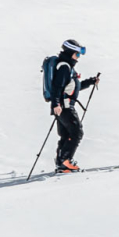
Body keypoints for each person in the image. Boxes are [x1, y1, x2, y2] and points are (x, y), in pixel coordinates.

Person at [48, 39, 101, 172]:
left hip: (62, 106)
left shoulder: (67, 67)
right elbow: (57, 87)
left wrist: (90, 82)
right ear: (71, 52)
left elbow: (73, 88)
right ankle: (66, 161)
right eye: (77, 54)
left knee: (66, 135)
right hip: (64, 107)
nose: (79, 57)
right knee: (77, 132)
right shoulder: (65, 67)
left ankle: (61, 163)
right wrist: (56, 104)